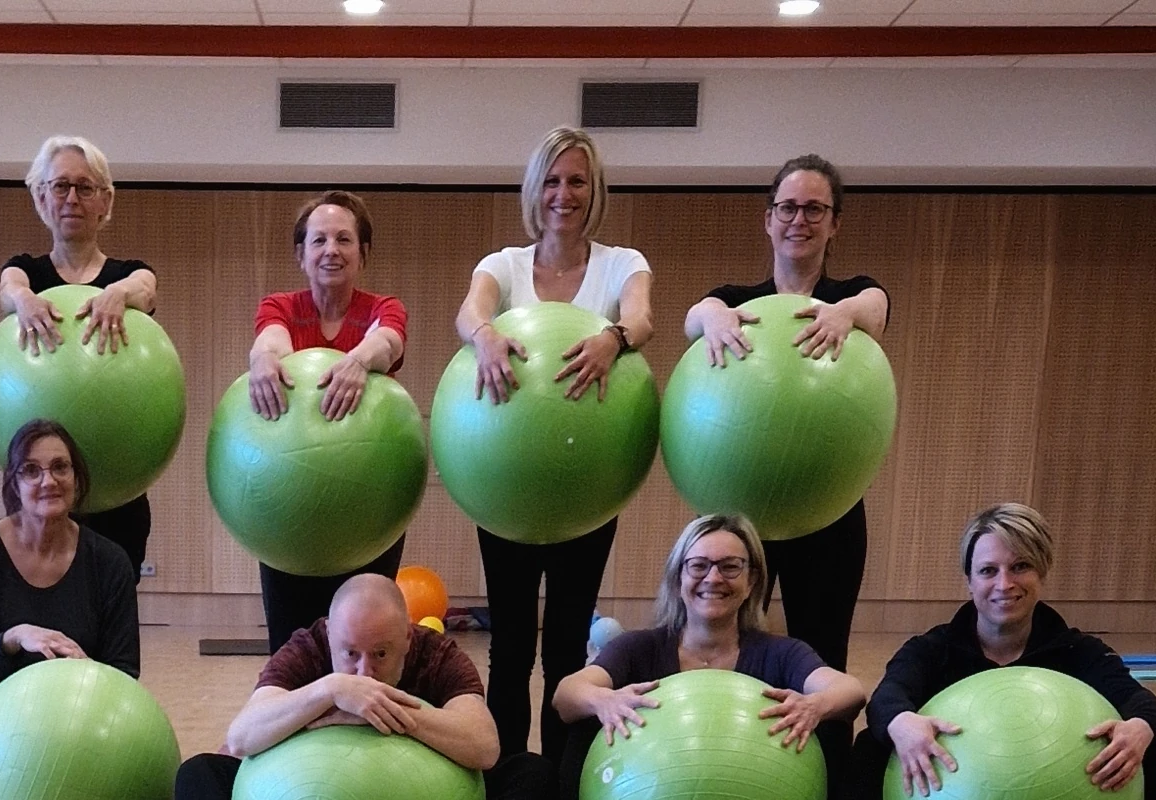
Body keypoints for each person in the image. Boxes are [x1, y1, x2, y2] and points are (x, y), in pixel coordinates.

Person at [840, 504, 1156, 800]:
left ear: (1041, 571)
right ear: (969, 580)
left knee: (1149, 746)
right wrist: (903, 724)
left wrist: (1139, 727)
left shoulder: (1077, 651)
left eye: (1020, 567)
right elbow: (887, 697)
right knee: (869, 744)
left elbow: (1140, 701)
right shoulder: (934, 648)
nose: (1005, 584)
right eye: (988, 570)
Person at [163, 574, 555, 800]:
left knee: (532, 774)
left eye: (381, 654)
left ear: (407, 637)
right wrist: (330, 692)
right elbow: (242, 737)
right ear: (330, 634)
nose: (364, 672)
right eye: (349, 653)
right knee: (199, 773)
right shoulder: (307, 647)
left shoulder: (437, 654)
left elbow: (484, 746)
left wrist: (390, 711)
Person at [548, 514, 865, 800]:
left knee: (833, 724)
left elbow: (851, 691)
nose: (713, 578)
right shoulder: (639, 647)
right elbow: (565, 694)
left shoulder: (779, 652)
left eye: (730, 566)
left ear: (753, 581)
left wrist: (816, 706)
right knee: (586, 720)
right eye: (698, 565)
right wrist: (602, 700)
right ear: (678, 578)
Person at [452, 126, 654, 767]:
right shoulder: (503, 266)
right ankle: (511, 784)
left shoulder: (622, 263)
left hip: (586, 488)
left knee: (568, 646)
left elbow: (643, 316)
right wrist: (484, 336)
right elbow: (469, 312)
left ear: (593, 192)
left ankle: (567, 789)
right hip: (506, 488)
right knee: (510, 645)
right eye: (552, 180)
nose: (563, 194)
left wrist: (613, 338)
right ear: (534, 189)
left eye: (576, 181)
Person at [680, 153, 889, 676]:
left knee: (824, 653)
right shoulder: (736, 303)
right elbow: (695, 316)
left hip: (829, 510)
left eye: (815, 210)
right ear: (768, 218)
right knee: (733, 650)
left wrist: (843, 313)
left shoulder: (848, 299)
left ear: (835, 222)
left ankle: (829, 759)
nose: (800, 220)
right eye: (788, 208)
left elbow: (877, 306)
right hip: (740, 510)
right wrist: (712, 316)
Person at [247, 190, 410, 654]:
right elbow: (272, 342)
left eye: (344, 239)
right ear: (301, 254)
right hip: (288, 509)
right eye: (318, 240)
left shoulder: (384, 307)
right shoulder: (280, 305)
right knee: (291, 645)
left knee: (364, 642)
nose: (331, 250)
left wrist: (359, 360)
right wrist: (261, 359)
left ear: (363, 254)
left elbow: (390, 341)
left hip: (369, 507)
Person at [0, 135, 161, 581]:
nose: (72, 199)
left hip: (117, 490)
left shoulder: (126, 275)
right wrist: (24, 301)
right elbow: (8, 287)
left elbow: (145, 287)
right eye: (60, 186)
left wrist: (117, 293)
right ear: (40, 197)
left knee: (110, 614)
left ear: (105, 201)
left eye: (85, 188)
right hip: (38, 488)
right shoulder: (26, 272)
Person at [0, 420, 140, 719]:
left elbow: (126, 671)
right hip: (0, 736)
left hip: (83, 719)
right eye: (31, 470)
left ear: (77, 477)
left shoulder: (110, 561)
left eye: (60, 467)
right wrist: (14, 637)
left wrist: (87, 672)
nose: (48, 481)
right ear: (14, 483)